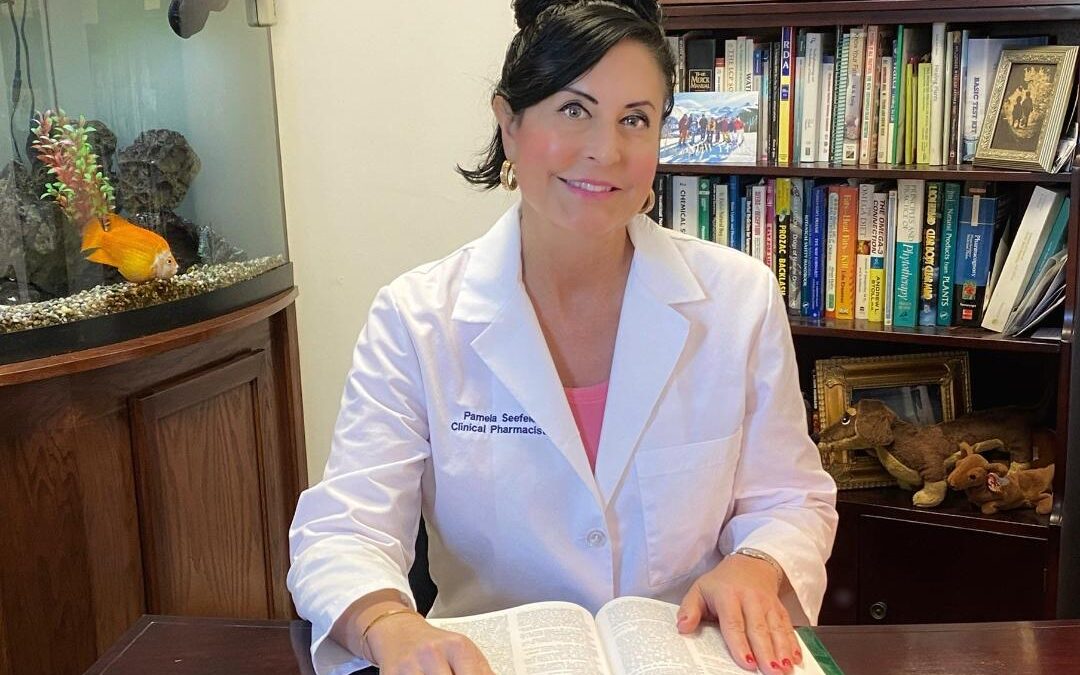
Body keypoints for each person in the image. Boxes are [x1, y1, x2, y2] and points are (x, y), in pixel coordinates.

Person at [288, 2, 838, 674]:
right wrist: (387, 623)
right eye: (575, 109)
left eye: (635, 119)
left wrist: (756, 562)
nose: (607, 151)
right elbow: (346, 527)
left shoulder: (738, 299)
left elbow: (790, 497)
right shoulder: (417, 318)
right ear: (509, 124)